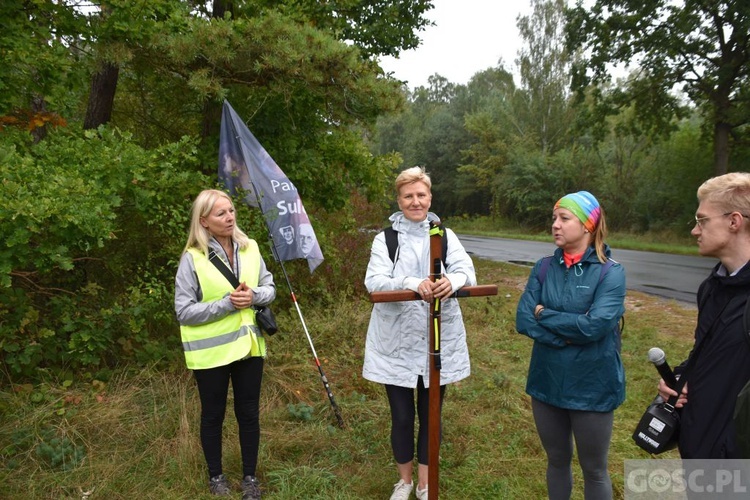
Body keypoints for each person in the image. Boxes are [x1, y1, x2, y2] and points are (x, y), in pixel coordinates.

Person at [363, 166, 477, 500]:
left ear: (430, 197)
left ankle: (427, 485)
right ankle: (405, 482)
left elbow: (465, 271)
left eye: (421, 195)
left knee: (431, 416)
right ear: (399, 200)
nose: (416, 202)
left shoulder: (444, 235)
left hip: (437, 341)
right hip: (395, 343)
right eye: (408, 196)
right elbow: (375, 281)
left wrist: (449, 282)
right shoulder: (385, 239)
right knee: (401, 415)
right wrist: (413, 282)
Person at [515, 191, 625, 500]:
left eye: (564, 218)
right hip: (547, 381)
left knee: (594, 469)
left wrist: (545, 315)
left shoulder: (610, 272)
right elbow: (524, 319)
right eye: (554, 218)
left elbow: (595, 326)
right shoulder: (544, 267)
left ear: (588, 225)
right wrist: (565, 335)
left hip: (592, 386)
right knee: (556, 461)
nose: (555, 225)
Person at [175, 189, 276, 499]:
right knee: (212, 415)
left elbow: (269, 287)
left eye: (231, 211)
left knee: (248, 414)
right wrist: (227, 305)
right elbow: (183, 311)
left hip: (249, 348)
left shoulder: (251, 248)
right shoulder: (192, 258)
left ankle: (249, 479)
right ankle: (216, 477)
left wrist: (254, 297)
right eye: (221, 213)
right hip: (211, 353)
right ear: (204, 221)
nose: (230, 217)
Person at [657, 172, 750, 459]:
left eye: (702, 220)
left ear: (734, 221)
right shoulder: (712, 288)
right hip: (699, 447)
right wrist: (680, 378)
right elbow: (710, 353)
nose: (695, 231)